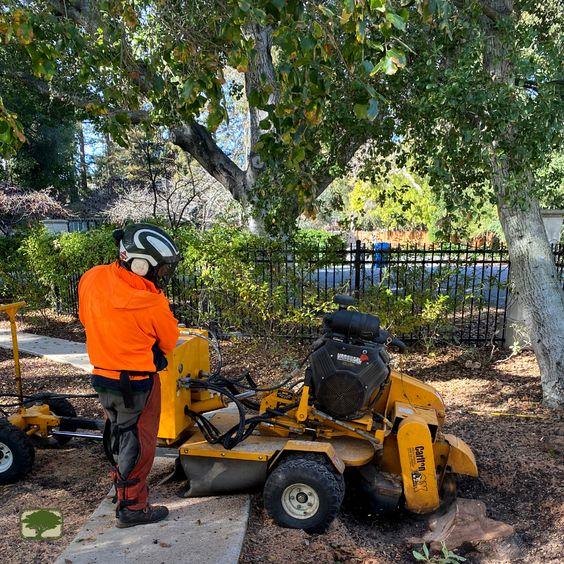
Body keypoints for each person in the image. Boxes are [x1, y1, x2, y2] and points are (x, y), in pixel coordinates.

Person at [78, 223, 181, 528]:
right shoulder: (151, 302)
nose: (162, 277)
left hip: (102, 378)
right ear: (139, 264)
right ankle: (132, 507)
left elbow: (88, 317)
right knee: (139, 443)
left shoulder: (92, 277)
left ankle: (121, 489)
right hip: (136, 385)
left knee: (119, 435)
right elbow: (170, 341)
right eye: (160, 270)